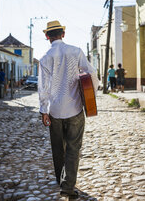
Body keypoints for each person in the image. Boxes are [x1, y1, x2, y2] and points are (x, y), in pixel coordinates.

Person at [38, 20, 99, 199]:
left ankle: (61, 180)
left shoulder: (44, 58)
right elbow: (92, 73)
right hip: (75, 108)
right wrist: (90, 94)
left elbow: (43, 88)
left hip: (55, 110)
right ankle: (68, 186)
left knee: (58, 147)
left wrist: (44, 111)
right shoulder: (76, 51)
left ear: (47, 36)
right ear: (63, 34)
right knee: (73, 148)